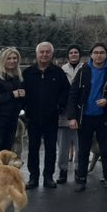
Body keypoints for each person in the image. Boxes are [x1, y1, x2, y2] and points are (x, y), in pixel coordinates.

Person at [67, 43, 107, 191]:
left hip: (104, 117)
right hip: (85, 116)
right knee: (83, 149)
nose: (98, 55)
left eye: (102, 52)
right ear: (91, 55)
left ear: (106, 55)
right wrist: (72, 117)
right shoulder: (84, 70)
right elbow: (73, 94)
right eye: (95, 52)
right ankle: (81, 179)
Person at [22, 41, 70, 189]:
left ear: (52, 54)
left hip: (51, 118)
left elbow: (66, 92)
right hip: (33, 118)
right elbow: (21, 92)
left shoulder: (58, 72)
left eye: (47, 52)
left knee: (50, 149)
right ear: (36, 54)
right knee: (33, 149)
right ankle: (33, 177)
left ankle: (48, 177)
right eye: (42, 52)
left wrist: (59, 107)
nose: (44, 54)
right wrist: (26, 108)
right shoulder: (28, 73)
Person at [57, 44, 85, 184]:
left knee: (80, 145)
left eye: (76, 52)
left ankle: (79, 171)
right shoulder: (61, 71)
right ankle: (63, 171)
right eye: (71, 52)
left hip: (80, 113)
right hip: (63, 113)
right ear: (68, 55)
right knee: (63, 146)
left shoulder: (86, 69)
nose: (73, 54)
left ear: (79, 55)